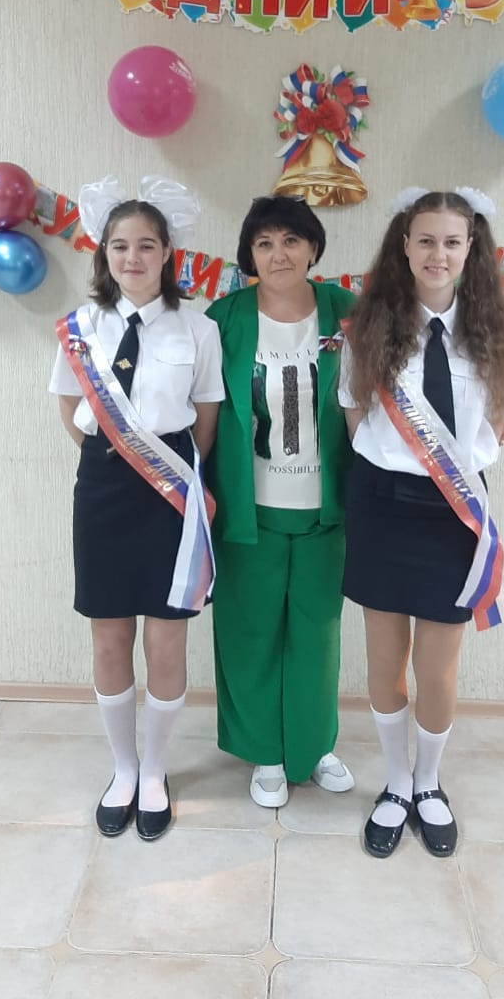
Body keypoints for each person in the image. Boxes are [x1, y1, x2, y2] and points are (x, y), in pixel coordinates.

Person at [338, 186, 504, 858]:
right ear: (405, 246)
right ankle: (394, 784)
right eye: (425, 240)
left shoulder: (491, 333)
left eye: (451, 241)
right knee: (386, 662)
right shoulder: (369, 327)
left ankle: (428, 783)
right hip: (383, 506)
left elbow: (500, 421)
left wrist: (461, 471)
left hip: (455, 513)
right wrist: (394, 467)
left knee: (438, 669)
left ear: (471, 248)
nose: (437, 253)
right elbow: (355, 414)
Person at [49, 176, 224, 841]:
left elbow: (205, 419)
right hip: (102, 487)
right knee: (109, 634)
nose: (133, 257)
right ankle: (122, 769)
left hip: (172, 488)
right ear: (104, 252)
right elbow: (70, 408)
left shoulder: (199, 328)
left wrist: (167, 473)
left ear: (167, 253)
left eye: (146, 245)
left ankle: (154, 772)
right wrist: (114, 458)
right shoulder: (80, 327)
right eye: (120, 245)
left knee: (166, 636)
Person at [205, 195, 355, 807]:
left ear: (313, 247)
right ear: (249, 255)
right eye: (264, 243)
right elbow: (203, 410)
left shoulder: (347, 312)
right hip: (249, 508)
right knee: (249, 630)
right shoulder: (224, 318)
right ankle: (265, 750)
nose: (279, 254)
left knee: (318, 634)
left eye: (291, 240)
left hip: (326, 507)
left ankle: (314, 745)